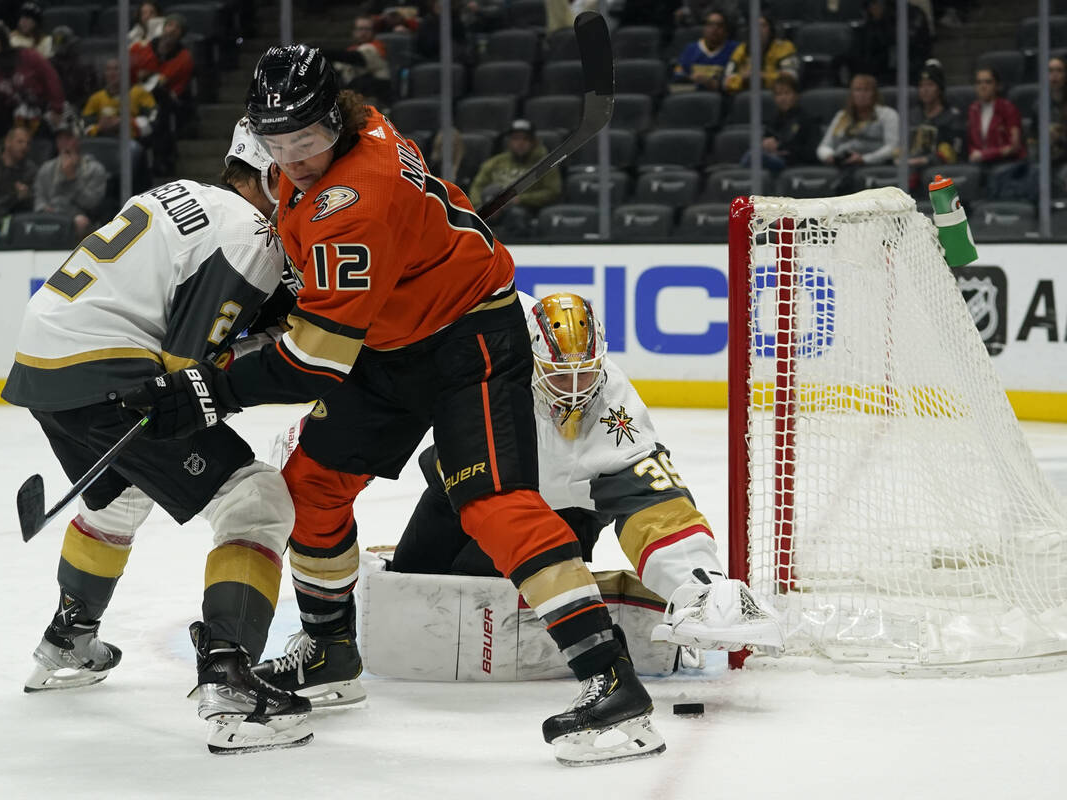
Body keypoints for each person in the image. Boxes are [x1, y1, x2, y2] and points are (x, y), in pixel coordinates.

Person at [121, 45, 666, 767]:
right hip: (391, 341)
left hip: (468, 339)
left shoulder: (357, 196)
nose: (296, 159)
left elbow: (315, 357)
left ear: (334, 125)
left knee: (494, 505)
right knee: (311, 485)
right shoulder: (350, 131)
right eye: (279, 145)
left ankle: (613, 685)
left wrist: (209, 387)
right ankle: (330, 654)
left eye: (308, 143)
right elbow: (328, 281)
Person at [260, 291, 783, 700]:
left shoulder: (615, 405)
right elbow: (398, 387)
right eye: (559, 372)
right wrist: (320, 438)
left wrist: (700, 586)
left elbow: (653, 502)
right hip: (467, 484)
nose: (574, 386)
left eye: (585, 371)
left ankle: (606, 647)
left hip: (560, 512)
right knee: (417, 580)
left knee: (492, 594)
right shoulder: (490, 347)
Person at [2, 121, 311, 754]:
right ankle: (231, 684)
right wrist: (279, 336)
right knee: (256, 501)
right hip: (111, 370)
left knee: (119, 499)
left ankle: (69, 638)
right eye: (296, 172)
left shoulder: (181, 195)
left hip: (42, 364)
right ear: (270, 172)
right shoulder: (253, 235)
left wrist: (258, 321)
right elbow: (185, 369)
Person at [129, 12, 194, 174]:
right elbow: (131, 74)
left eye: (177, 28)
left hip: (164, 101)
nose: (171, 30)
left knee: (162, 109)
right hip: (136, 96)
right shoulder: (142, 48)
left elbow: (174, 86)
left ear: (181, 35)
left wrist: (153, 77)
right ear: (163, 28)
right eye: (169, 25)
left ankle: (161, 159)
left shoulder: (184, 58)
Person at [0, 21, 64, 138]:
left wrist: (57, 108)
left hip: (46, 111)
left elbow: (50, 77)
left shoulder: (27, 55)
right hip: (16, 118)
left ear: (3, 39)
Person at [34, 116, 108, 237]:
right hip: (51, 216)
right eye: (60, 139)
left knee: (80, 222)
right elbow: (39, 198)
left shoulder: (95, 169)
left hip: (80, 218)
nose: (64, 143)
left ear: (78, 140)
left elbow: (92, 204)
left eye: (68, 138)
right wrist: (44, 209)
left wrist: (72, 178)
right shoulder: (46, 168)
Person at [469, 119, 560, 212]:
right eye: (515, 138)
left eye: (525, 139)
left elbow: (552, 192)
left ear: (534, 142)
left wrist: (520, 199)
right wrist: (482, 204)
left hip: (526, 209)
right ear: (509, 142)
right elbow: (477, 186)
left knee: (516, 213)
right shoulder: (495, 162)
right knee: (467, 214)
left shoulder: (546, 163)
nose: (520, 143)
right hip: (491, 206)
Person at [816, 73, 901, 169]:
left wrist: (864, 159)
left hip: (875, 165)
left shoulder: (888, 114)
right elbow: (824, 146)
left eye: (866, 90)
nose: (862, 94)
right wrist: (830, 156)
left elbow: (893, 147)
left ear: (874, 94)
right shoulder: (842, 116)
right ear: (851, 94)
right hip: (843, 165)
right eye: (858, 90)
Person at [741, 73, 818, 172]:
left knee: (754, 156)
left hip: (793, 164)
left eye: (787, 93)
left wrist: (780, 147)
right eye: (778, 94)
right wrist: (764, 144)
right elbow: (764, 140)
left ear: (796, 95)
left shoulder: (807, 120)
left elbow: (812, 153)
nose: (783, 98)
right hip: (772, 161)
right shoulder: (774, 119)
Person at [908, 59, 963, 180]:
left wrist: (925, 160)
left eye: (930, 85)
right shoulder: (912, 115)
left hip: (939, 170)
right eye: (921, 85)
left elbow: (954, 152)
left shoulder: (952, 116)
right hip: (911, 168)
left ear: (940, 89)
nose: (925, 90)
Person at [82, 57, 158, 144]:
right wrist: (100, 127)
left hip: (131, 143)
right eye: (108, 69)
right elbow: (84, 128)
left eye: (116, 69)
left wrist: (124, 123)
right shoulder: (95, 98)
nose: (112, 73)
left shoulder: (139, 93)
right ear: (104, 74)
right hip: (104, 144)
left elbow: (153, 121)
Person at [323, 16, 391, 107]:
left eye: (367, 29)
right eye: (360, 29)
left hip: (376, 99)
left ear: (373, 32)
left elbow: (356, 58)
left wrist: (322, 52)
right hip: (355, 98)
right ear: (353, 32)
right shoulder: (351, 50)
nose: (363, 32)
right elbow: (337, 68)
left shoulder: (376, 48)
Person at [722, 13, 798, 94]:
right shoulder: (741, 49)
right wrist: (743, 79)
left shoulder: (784, 47)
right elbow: (726, 82)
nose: (759, 29)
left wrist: (762, 76)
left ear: (771, 29)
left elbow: (790, 78)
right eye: (755, 26)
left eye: (763, 26)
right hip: (747, 95)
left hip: (777, 96)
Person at [966, 67, 1025, 165]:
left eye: (988, 82)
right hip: (981, 165)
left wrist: (985, 154)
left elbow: (1014, 146)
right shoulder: (973, 110)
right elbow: (971, 144)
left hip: (1006, 164)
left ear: (997, 86)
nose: (983, 86)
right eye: (979, 82)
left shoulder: (1008, 109)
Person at [672, 9, 738, 92]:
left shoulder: (735, 49)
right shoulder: (690, 49)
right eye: (710, 24)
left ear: (726, 31)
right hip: (693, 95)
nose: (714, 29)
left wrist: (714, 83)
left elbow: (737, 80)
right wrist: (691, 78)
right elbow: (678, 77)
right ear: (704, 28)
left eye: (719, 25)